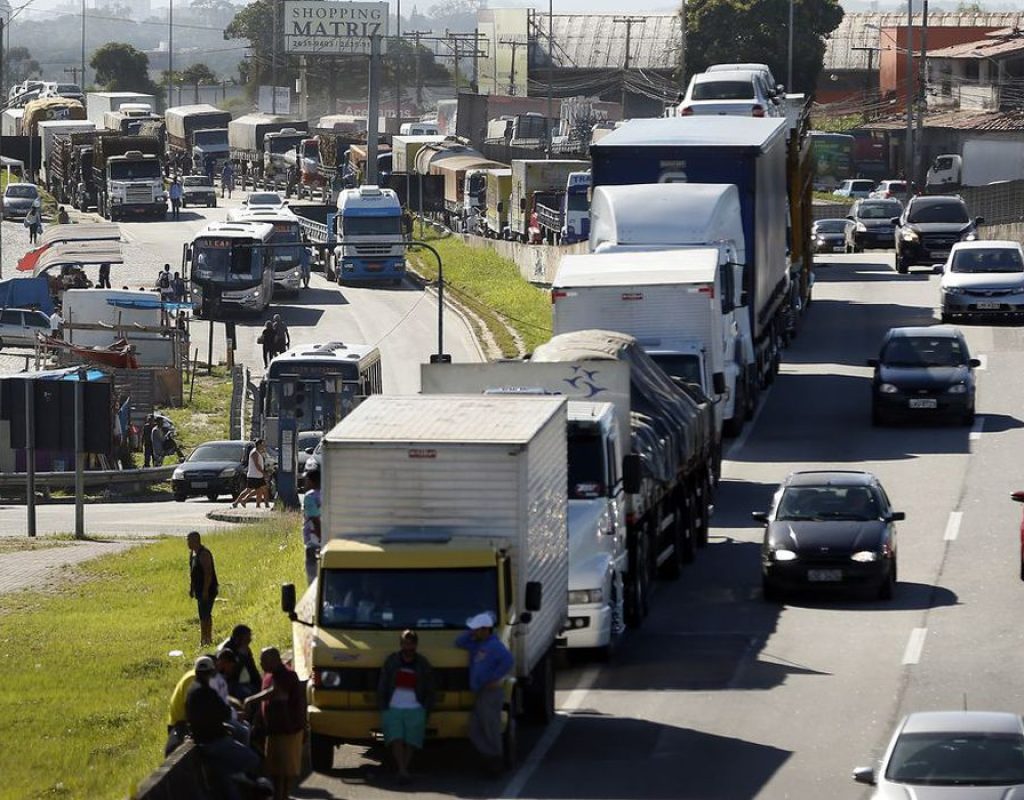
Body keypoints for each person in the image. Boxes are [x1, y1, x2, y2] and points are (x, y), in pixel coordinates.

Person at [186, 656, 261, 800]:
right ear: (212, 672)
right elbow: (224, 713)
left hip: (203, 742)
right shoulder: (207, 692)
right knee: (252, 759)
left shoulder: (191, 691)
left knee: (225, 776)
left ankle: (233, 780)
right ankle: (240, 778)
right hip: (215, 741)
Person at [455, 612, 514, 775]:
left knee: (491, 728)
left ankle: (496, 762)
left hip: (491, 692)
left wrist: (496, 678)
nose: (473, 632)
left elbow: (508, 660)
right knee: (474, 729)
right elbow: (459, 642)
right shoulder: (477, 644)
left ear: (485, 630)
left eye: (476, 629)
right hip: (481, 692)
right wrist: (471, 633)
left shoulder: (495, 646)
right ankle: (490, 756)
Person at [244, 648, 305, 800]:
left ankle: (283, 796)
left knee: (286, 771)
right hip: (273, 730)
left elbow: (276, 693)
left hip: (288, 730)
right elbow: (267, 701)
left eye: (263, 660)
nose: (260, 663)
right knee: (276, 772)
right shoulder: (269, 676)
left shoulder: (287, 675)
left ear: (274, 660)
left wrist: (250, 700)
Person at [377, 630, 434, 784]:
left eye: (411, 644)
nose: (408, 647)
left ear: (415, 645)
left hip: (415, 708)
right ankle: (402, 770)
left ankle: (403, 769)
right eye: (405, 644)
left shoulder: (423, 663)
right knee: (396, 738)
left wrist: (427, 709)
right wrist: (383, 706)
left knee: (411, 741)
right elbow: (383, 684)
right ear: (401, 644)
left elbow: (429, 688)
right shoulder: (391, 661)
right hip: (393, 706)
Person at [187, 531, 219, 647]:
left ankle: (207, 639)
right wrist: (191, 588)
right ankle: (203, 639)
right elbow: (192, 572)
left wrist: (205, 590)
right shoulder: (192, 554)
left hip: (208, 589)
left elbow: (208, 573)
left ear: (196, 541)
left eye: (189, 540)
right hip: (199, 589)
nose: (188, 543)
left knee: (206, 614)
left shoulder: (204, 554)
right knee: (202, 615)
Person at [219, 624, 261, 700]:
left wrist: (260, 686)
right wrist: (241, 656)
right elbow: (228, 673)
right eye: (247, 639)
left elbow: (252, 670)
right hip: (225, 684)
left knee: (255, 690)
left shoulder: (243, 648)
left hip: (237, 681)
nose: (250, 641)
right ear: (238, 639)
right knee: (247, 693)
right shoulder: (225, 651)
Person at [232, 439, 268, 509]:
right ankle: (237, 502)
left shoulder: (258, 452)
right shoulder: (254, 453)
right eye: (262, 444)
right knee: (249, 490)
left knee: (262, 490)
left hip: (258, 475)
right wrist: (264, 473)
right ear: (259, 445)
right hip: (253, 475)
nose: (264, 446)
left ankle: (257, 505)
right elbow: (257, 465)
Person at [302, 467, 322, 585]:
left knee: (312, 574)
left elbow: (315, 519)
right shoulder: (326, 494)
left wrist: (320, 536)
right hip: (327, 539)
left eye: (307, 480)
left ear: (312, 481)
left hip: (313, 540)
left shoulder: (310, 496)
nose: (305, 483)